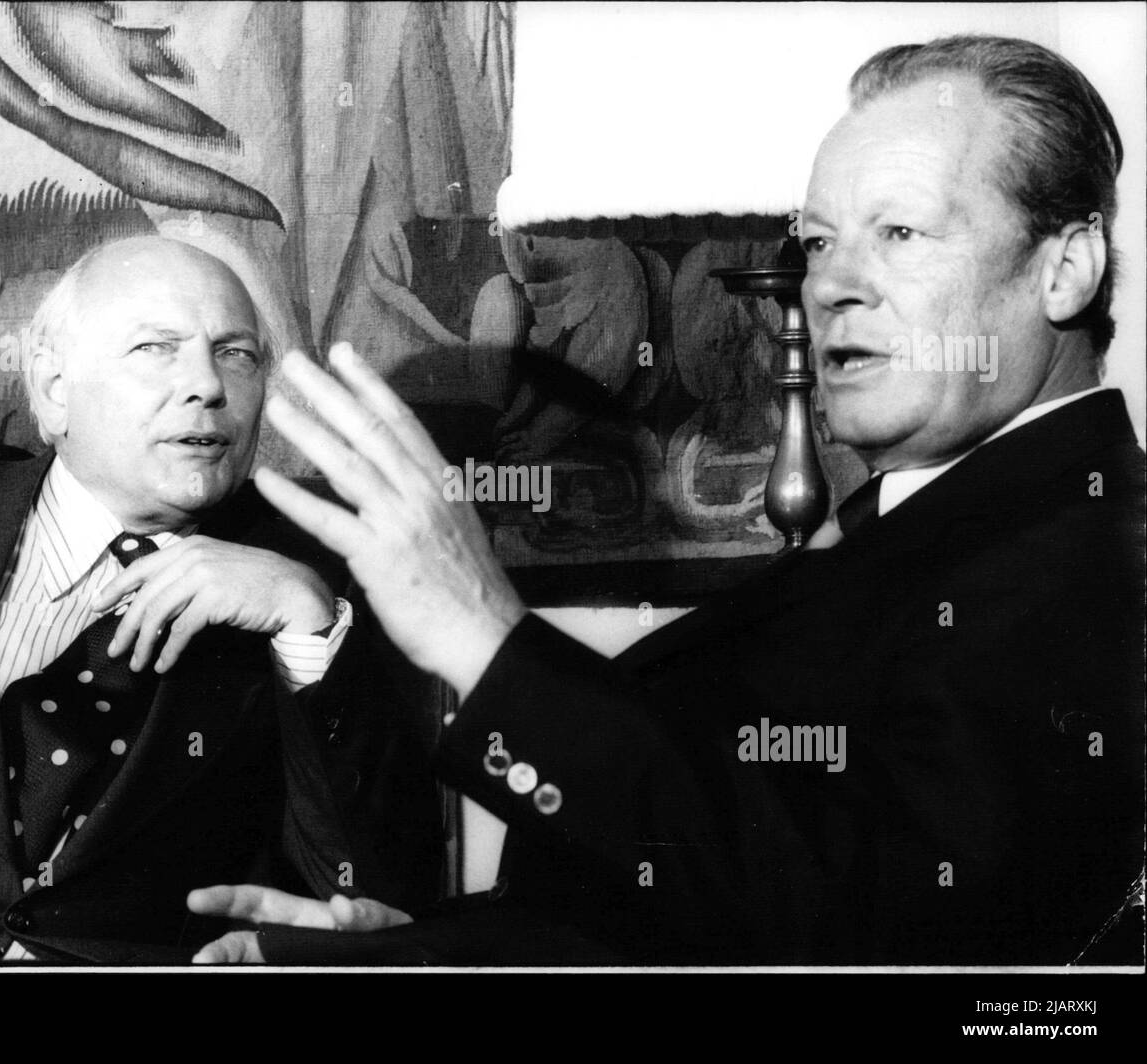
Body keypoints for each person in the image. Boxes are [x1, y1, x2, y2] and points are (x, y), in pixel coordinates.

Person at [188, 35, 1145, 965]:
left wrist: (482, 635)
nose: (830, 288)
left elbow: (890, 939)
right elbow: (739, 890)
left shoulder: (1099, 557)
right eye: (818, 242)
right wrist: (438, 951)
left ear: (1065, 269)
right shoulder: (933, 523)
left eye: (901, 233)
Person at [0, 236, 441, 965]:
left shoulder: (333, 579)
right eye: (157, 348)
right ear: (53, 386)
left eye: (237, 354)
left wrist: (304, 621)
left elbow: (379, 909)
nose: (207, 387)